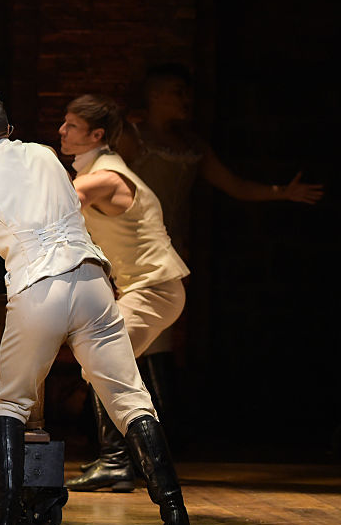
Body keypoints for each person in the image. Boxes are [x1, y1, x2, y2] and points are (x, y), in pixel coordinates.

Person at [0, 92, 198, 525]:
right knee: (131, 399)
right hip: (94, 281)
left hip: (40, 290)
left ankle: (5, 518)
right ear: (8, 129)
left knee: (10, 401)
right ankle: (176, 519)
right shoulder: (47, 154)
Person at [117, 63, 324, 419]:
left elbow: (234, 184)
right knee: (133, 332)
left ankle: (158, 426)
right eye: (176, 92)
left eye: (186, 92)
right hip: (131, 245)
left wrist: (282, 192)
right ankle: (140, 430)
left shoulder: (191, 143)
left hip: (171, 244)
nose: (185, 99)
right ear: (154, 95)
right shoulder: (132, 138)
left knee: (156, 331)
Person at [57, 95, 190, 492]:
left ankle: (116, 461)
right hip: (143, 289)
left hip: (155, 289)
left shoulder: (105, 176)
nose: (61, 131)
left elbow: (58, 202)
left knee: (101, 360)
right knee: (107, 365)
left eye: (71, 126)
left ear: (96, 135)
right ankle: (118, 460)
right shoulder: (95, 170)